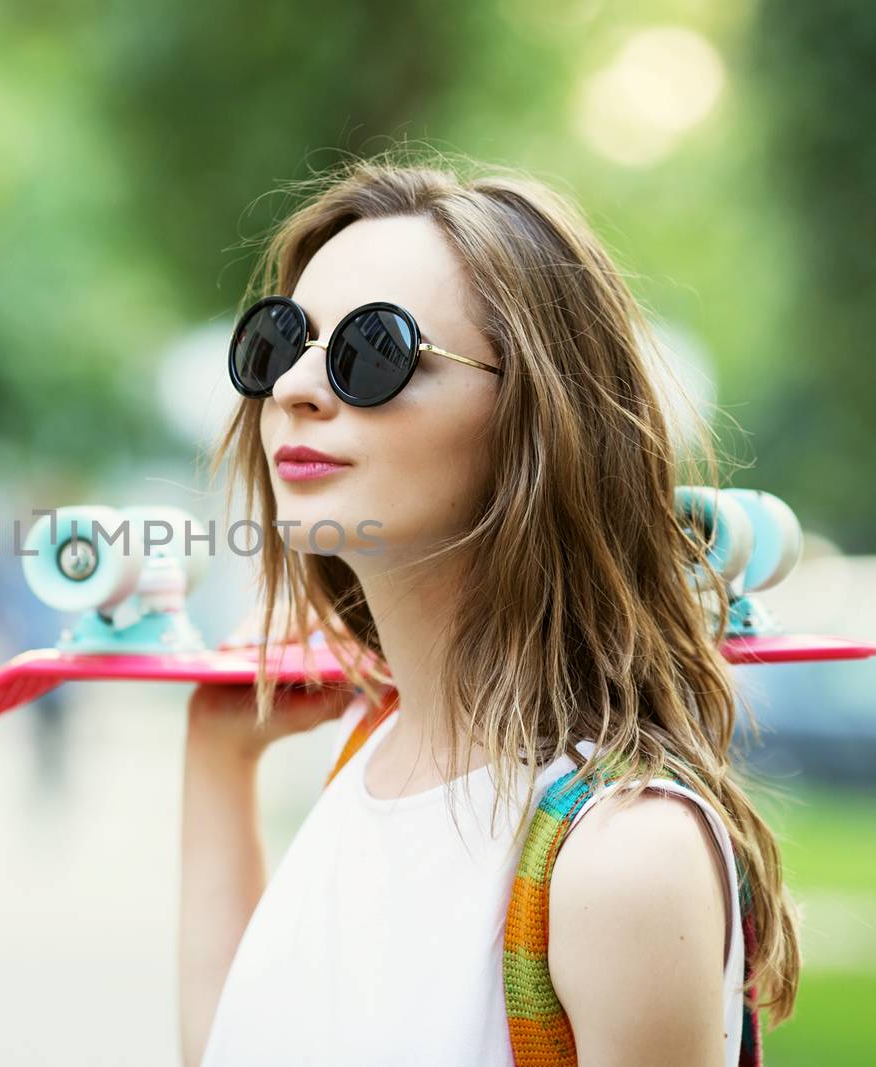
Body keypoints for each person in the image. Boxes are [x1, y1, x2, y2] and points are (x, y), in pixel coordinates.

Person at [178, 155, 799, 1066]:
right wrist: (217, 764)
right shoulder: (370, 756)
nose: (296, 390)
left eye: (372, 351)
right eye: (278, 343)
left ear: (539, 418)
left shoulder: (620, 854)